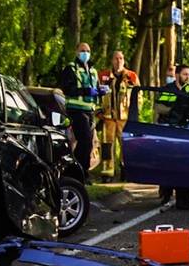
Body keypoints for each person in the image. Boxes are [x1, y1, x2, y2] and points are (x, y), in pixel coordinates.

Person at [59, 42, 106, 174]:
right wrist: (85, 91)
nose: (85, 53)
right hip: (76, 111)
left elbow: (95, 89)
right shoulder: (70, 69)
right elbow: (66, 88)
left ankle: (82, 172)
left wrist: (100, 91)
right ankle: (77, 172)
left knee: (88, 143)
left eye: (87, 51)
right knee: (85, 141)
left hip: (90, 111)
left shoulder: (93, 71)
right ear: (76, 52)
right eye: (82, 50)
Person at [97, 51, 138, 182]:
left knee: (126, 145)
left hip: (124, 118)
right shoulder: (103, 76)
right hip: (107, 117)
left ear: (124, 60)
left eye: (121, 58)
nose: (119, 61)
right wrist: (98, 111)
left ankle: (126, 170)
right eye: (116, 58)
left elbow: (139, 97)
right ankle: (107, 173)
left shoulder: (131, 76)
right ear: (112, 60)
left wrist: (134, 114)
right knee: (107, 146)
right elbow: (97, 96)